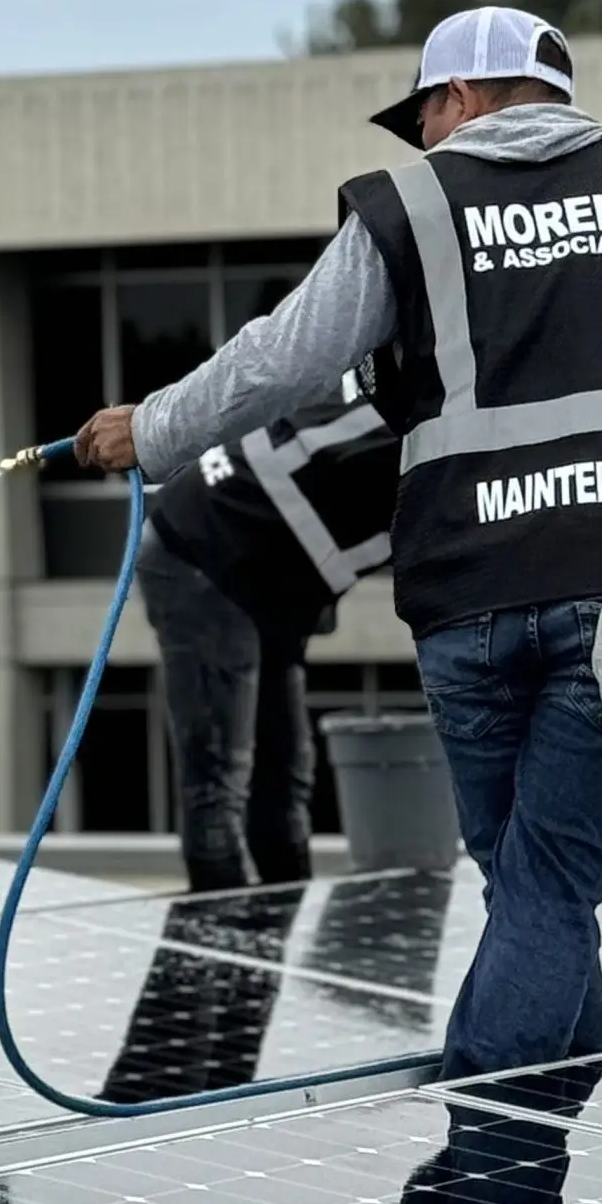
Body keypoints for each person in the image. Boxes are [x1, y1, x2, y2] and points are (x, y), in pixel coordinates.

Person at [74, 6, 602, 1092]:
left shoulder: (414, 204)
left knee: (532, 883)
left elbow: (284, 357)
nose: (420, 140)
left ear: (458, 99)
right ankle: (508, 1149)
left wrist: (156, 428)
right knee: (545, 885)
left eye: (422, 113)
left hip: (474, 599)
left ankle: (494, 1162)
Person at [138, 374, 399, 891]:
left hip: (270, 579)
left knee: (284, 776)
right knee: (220, 780)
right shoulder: (422, 435)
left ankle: (274, 926)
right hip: (202, 549)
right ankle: (222, 949)